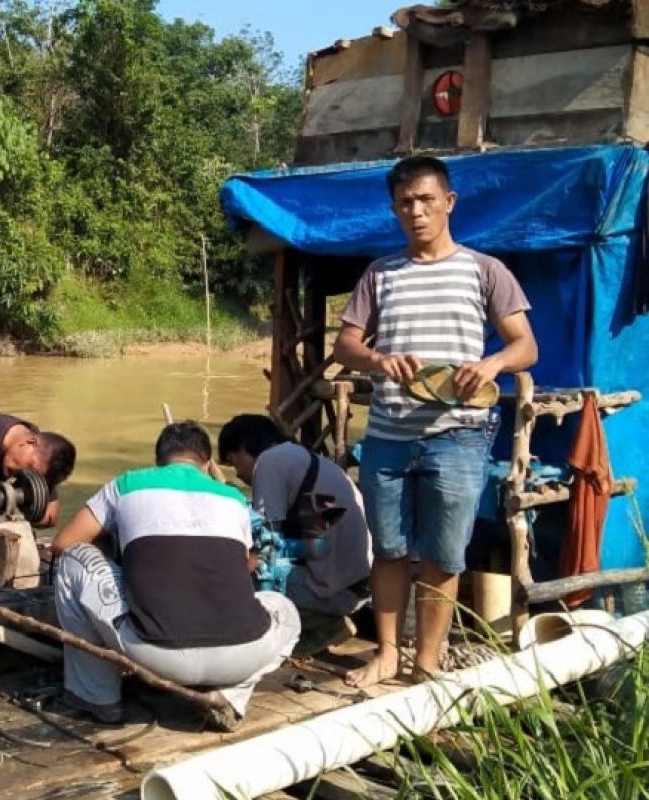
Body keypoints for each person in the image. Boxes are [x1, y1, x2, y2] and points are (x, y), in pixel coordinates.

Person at [333, 156, 537, 687]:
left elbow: (525, 345)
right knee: (391, 550)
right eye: (405, 203)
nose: (416, 211)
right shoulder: (380, 274)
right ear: (394, 209)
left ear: (449, 202)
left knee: (445, 558)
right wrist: (378, 361)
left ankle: (425, 663)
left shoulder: (484, 270)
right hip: (388, 437)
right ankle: (385, 653)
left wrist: (491, 363)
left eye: (426, 200)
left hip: (458, 437)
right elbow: (346, 345)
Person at [50, 421, 299, 729]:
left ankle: (96, 697)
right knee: (284, 609)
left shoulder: (127, 484)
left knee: (73, 558)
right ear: (206, 464)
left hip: (156, 654)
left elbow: (63, 543)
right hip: (242, 655)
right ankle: (231, 695)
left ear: (157, 462)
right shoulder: (233, 499)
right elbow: (243, 565)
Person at [218, 414, 371, 625]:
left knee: (225, 572)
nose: (239, 474)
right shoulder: (305, 460)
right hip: (356, 588)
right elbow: (313, 545)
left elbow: (268, 545)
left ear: (244, 447)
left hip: (331, 593)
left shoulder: (269, 461)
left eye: (235, 463)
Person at [0, 406, 76, 526]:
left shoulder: (43, 463)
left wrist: (7, 504)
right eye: (29, 467)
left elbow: (50, 515)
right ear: (31, 442)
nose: (22, 474)